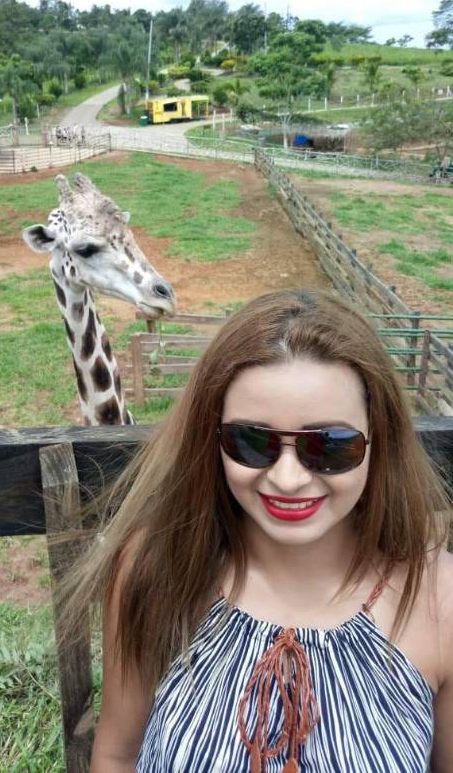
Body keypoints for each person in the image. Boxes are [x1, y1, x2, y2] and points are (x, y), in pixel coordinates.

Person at [59, 289, 452, 772]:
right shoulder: (155, 569)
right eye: (251, 441)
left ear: (378, 440)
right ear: (212, 437)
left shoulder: (440, 600)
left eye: (328, 445)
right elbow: (118, 755)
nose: (288, 478)